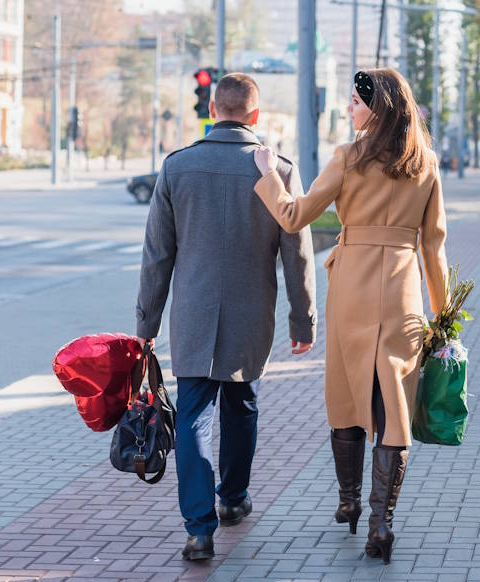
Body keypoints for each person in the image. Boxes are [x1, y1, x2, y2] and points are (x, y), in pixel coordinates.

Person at [252, 68, 449, 564]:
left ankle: (349, 501)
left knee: (346, 391)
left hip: (353, 287)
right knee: (394, 409)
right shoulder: (425, 163)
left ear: (376, 108)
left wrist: (268, 172)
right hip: (402, 291)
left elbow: (295, 216)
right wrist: (442, 315)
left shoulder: (348, 157)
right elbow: (434, 246)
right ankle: (382, 523)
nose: (349, 110)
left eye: (356, 103)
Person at [135, 72, 317, 562]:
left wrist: (145, 327)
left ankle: (199, 529)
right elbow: (297, 252)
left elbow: (157, 255)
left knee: (194, 415)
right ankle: (233, 499)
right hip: (251, 316)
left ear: (213, 109)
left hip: (192, 318)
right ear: (254, 116)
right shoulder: (275, 168)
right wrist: (303, 321)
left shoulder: (177, 168)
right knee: (243, 407)